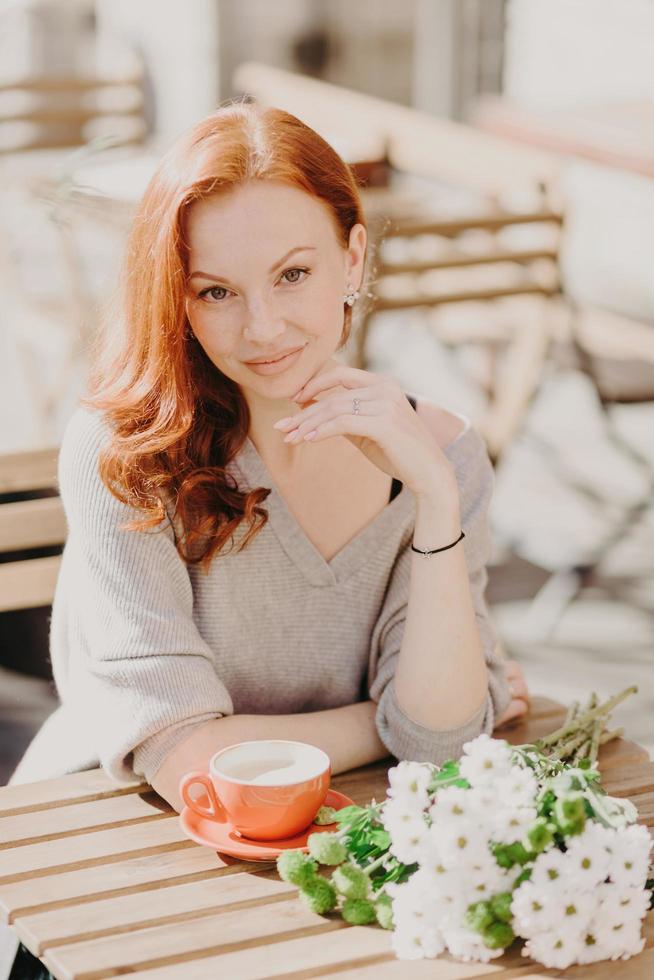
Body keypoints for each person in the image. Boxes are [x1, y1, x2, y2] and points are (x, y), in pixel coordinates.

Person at [9, 101, 530, 814]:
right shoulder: (126, 454)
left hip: (337, 829)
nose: (263, 328)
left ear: (351, 258)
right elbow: (184, 757)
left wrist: (437, 501)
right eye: (217, 291)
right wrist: (384, 723)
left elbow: (441, 745)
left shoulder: (439, 457)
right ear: (178, 302)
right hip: (107, 831)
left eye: (292, 275)